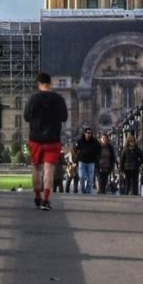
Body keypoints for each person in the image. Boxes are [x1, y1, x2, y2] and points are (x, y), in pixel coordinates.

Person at [23, 71, 68, 210]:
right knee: (49, 170)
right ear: (50, 83)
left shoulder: (33, 99)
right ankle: (46, 200)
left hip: (36, 139)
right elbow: (64, 117)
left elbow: (26, 117)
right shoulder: (59, 99)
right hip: (53, 139)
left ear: (38, 84)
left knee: (36, 168)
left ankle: (37, 196)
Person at [76, 127, 100, 194]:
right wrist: (76, 159)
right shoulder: (80, 141)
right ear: (84, 133)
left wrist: (96, 157)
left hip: (91, 162)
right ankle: (83, 189)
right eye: (88, 133)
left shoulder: (94, 141)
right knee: (81, 177)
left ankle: (88, 191)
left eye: (90, 133)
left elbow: (99, 149)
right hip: (82, 161)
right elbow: (76, 150)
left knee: (90, 178)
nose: (89, 134)